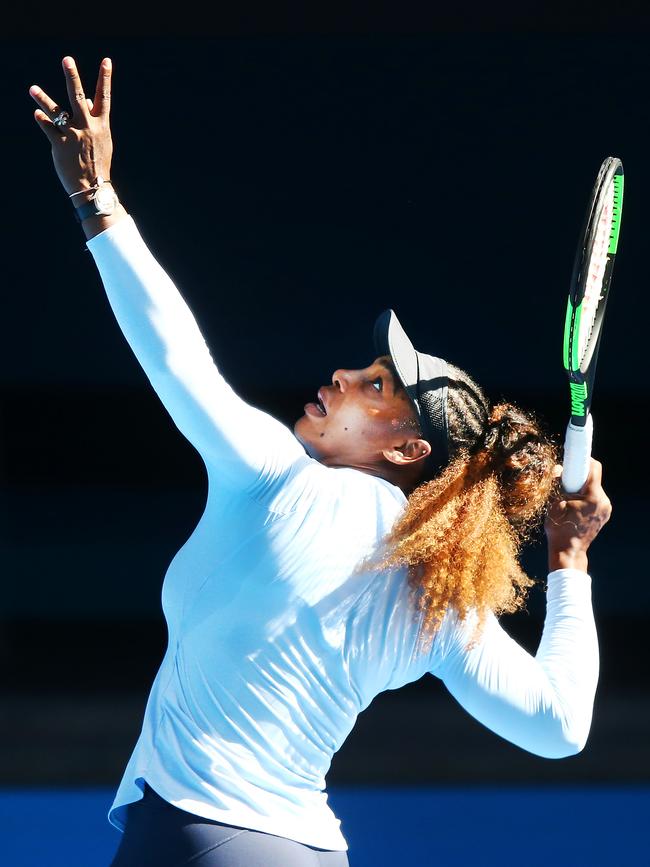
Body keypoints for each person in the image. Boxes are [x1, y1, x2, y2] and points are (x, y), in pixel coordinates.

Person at [29, 57, 611, 867]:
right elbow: (560, 728)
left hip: (207, 841)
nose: (342, 377)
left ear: (409, 450)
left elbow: (176, 358)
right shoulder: (437, 594)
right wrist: (569, 561)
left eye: (375, 386)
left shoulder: (280, 477)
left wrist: (98, 202)